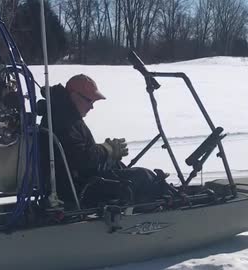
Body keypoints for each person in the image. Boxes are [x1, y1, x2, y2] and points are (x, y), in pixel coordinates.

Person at [38, 74, 167, 206]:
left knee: (125, 169)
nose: (92, 107)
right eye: (90, 101)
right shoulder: (63, 121)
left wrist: (109, 155)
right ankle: (157, 214)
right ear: (75, 96)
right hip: (79, 188)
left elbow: (77, 151)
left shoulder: (66, 114)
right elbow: (81, 158)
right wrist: (106, 150)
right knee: (142, 176)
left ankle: (158, 194)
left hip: (83, 180)